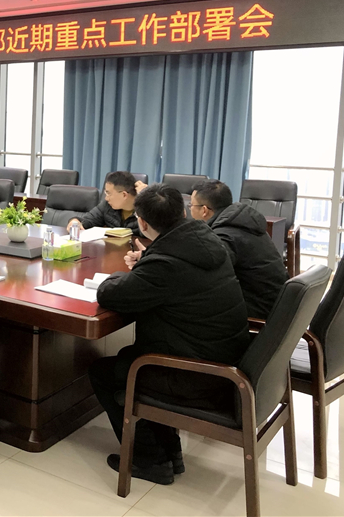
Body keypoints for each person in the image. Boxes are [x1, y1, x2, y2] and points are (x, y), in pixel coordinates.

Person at [89, 184, 249, 485]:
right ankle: (169, 451)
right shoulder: (207, 240)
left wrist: (131, 272)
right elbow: (176, 276)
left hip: (197, 374)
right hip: (224, 358)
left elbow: (110, 294)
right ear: (184, 212)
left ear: (142, 223)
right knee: (129, 359)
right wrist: (147, 262)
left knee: (106, 372)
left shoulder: (166, 263)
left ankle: (149, 459)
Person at [190, 179, 287, 320]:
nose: (190, 210)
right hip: (277, 304)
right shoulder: (243, 222)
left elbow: (209, 277)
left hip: (260, 312)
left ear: (204, 210)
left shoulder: (225, 235)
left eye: (191, 205)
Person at [68, 171, 141, 235]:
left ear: (124, 195)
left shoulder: (144, 210)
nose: (106, 198)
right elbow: (87, 221)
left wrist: (145, 196)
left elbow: (147, 233)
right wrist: (75, 221)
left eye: (109, 193)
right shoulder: (107, 205)